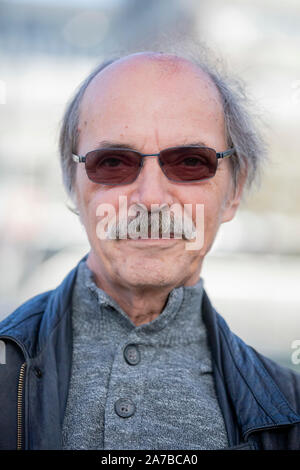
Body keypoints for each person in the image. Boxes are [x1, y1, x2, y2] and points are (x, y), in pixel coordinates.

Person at [0, 51, 299, 451]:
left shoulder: (291, 411)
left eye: (192, 161)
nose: (152, 198)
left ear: (235, 190)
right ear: (72, 185)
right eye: (113, 163)